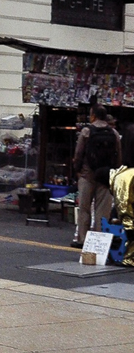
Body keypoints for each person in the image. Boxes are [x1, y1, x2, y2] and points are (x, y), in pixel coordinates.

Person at [72, 105, 122, 248]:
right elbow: (118, 156)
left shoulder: (86, 131)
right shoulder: (114, 133)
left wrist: (77, 171)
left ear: (93, 115)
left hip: (87, 175)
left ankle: (82, 239)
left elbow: (78, 154)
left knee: (84, 209)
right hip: (105, 176)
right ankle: (99, 242)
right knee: (102, 211)